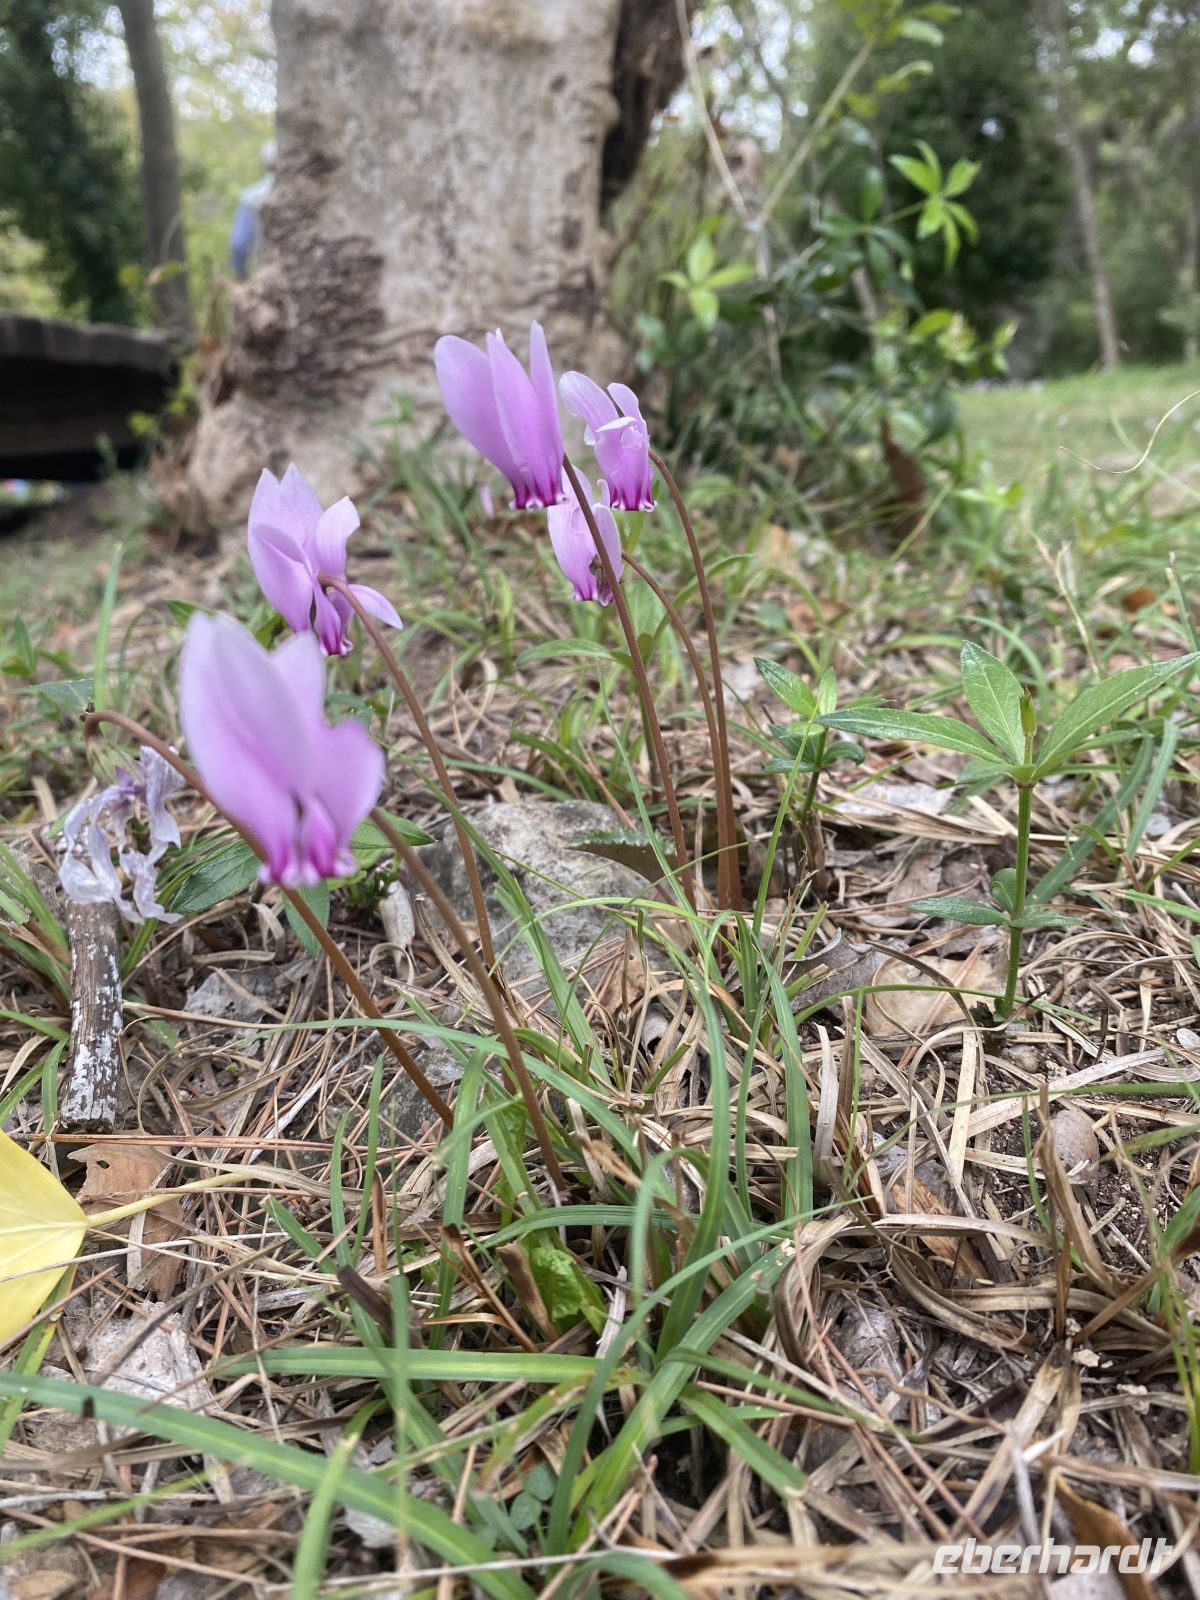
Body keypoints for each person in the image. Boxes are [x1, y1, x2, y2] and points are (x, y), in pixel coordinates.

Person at [230, 141, 276, 279]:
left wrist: (241, 273)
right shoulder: (313, 195)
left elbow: (239, 244)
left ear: (264, 165)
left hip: (267, 276)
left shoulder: (251, 197)